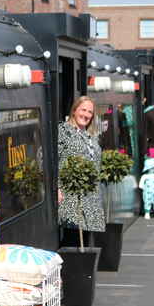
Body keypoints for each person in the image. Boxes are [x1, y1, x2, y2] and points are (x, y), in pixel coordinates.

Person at [57, 96, 106, 238]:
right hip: (71, 196)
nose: (86, 115)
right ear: (74, 110)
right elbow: (50, 161)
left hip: (92, 197)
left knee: (91, 241)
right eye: (83, 110)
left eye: (90, 112)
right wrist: (56, 188)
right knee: (75, 239)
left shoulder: (91, 135)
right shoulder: (63, 131)